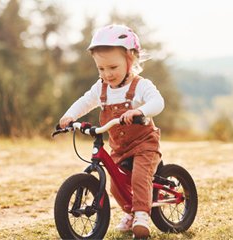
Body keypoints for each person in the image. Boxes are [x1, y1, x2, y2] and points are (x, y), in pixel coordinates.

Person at [59, 24, 164, 239]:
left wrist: (140, 110)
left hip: (144, 144)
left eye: (113, 68)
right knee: (115, 185)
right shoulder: (101, 88)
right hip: (120, 148)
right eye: (101, 69)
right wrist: (70, 116)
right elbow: (85, 101)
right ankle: (130, 213)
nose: (107, 74)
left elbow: (158, 102)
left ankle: (142, 215)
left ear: (130, 60)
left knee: (140, 177)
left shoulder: (141, 86)